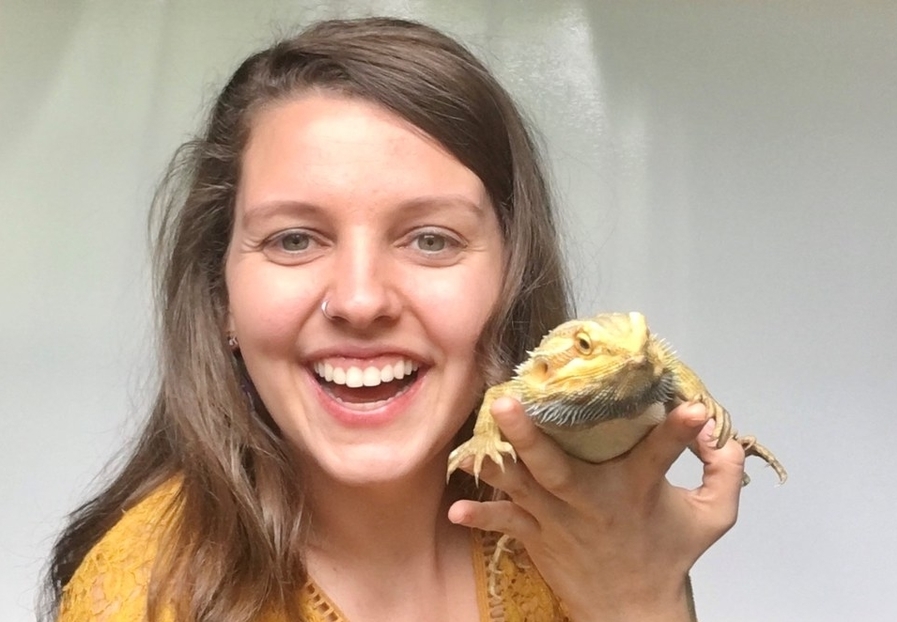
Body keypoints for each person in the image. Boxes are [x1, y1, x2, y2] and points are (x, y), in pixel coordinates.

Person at [42, 16, 746, 622]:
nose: (359, 299)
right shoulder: (144, 594)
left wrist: (641, 602)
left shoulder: (598, 537)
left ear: (511, 281)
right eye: (294, 239)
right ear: (221, 298)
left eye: (431, 239)